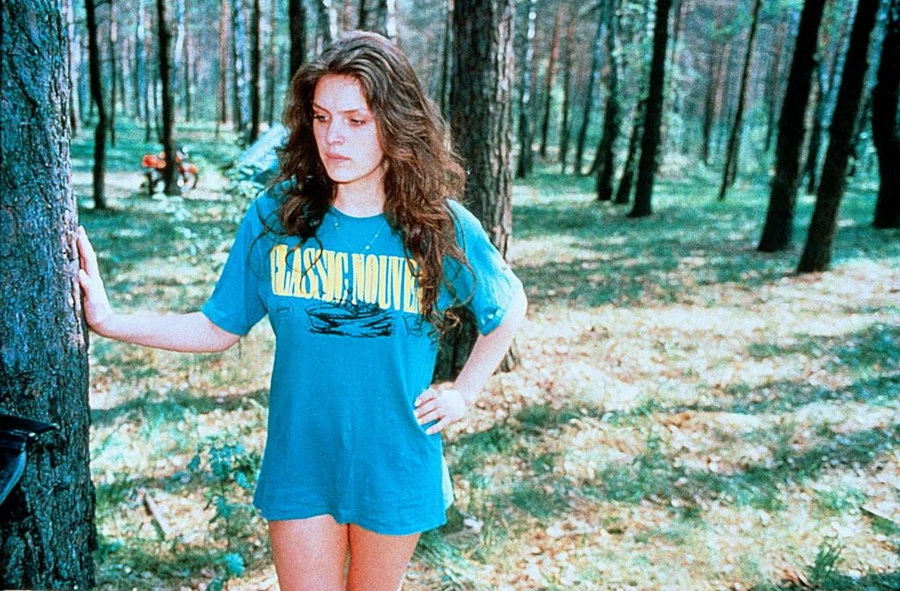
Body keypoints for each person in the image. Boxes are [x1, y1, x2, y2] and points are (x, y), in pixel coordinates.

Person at [77, 30, 526, 591]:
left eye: (356, 121)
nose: (334, 137)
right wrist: (108, 320)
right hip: (301, 458)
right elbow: (216, 326)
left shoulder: (439, 225)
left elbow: (508, 304)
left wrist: (463, 393)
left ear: (397, 123)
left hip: (395, 462)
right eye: (321, 117)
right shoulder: (278, 216)